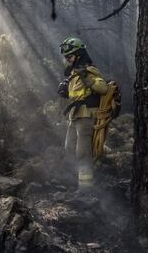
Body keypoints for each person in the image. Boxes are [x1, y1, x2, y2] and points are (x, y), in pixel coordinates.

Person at [57, 37, 108, 190]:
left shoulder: (89, 70)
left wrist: (86, 77)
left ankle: (86, 189)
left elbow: (103, 88)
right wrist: (65, 89)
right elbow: (76, 92)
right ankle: (77, 181)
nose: (67, 59)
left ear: (79, 55)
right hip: (75, 115)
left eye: (70, 56)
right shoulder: (74, 73)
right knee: (69, 147)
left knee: (83, 153)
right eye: (66, 57)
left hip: (86, 116)